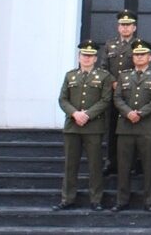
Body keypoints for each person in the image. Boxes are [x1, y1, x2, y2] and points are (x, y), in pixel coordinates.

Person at [54, 40, 113, 211]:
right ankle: (67, 198)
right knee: (70, 165)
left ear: (95, 58)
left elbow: (105, 99)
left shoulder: (104, 76)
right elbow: (62, 99)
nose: (87, 58)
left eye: (90, 56)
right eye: (84, 55)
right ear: (79, 57)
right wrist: (75, 113)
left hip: (93, 126)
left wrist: (87, 114)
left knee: (95, 165)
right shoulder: (70, 75)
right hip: (72, 126)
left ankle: (96, 199)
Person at [111, 38, 151, 212]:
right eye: (136, 55)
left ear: (150, 57)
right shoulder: (124, 75)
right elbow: (117, 97)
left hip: (147, 126)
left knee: (148, 166)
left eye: (143, 55)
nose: (139, 57)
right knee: (124, 165)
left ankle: (149, 201)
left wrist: (140, 113)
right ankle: (122, 200)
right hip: (125, 126)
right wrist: (128, 112)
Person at [100, 9, 136, 176]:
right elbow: (103, 67)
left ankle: (132, 162)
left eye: (128, 25)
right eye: (122, 25)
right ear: (118, 27)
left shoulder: (138, 45)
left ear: (134, 28)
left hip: (131, 93)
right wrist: (113, 82)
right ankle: (111, 161)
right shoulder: (110, 45)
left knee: (131, 129)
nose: (125, 28)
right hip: (113, 92)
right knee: (111, 128)